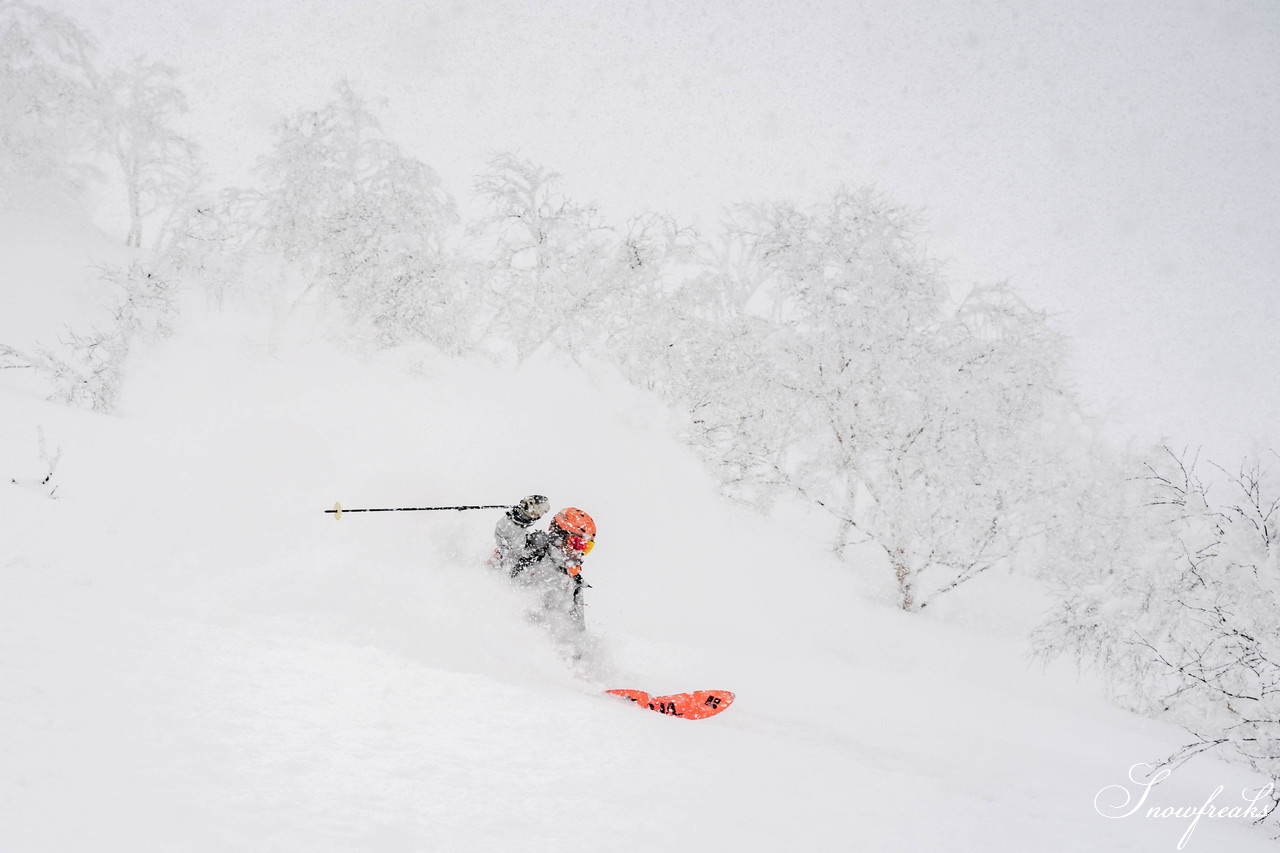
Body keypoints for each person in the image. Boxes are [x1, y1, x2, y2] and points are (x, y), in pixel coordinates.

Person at [488, 495, 597, 633]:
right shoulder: (535, 550)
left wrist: (577, 651)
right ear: (560, 534)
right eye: (576, 543)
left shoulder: (574, 584)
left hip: (538, 644)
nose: (579, 552)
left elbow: (576, 630)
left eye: (586, 547)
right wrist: (522, 516)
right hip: (504, 624)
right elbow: (508, 538)